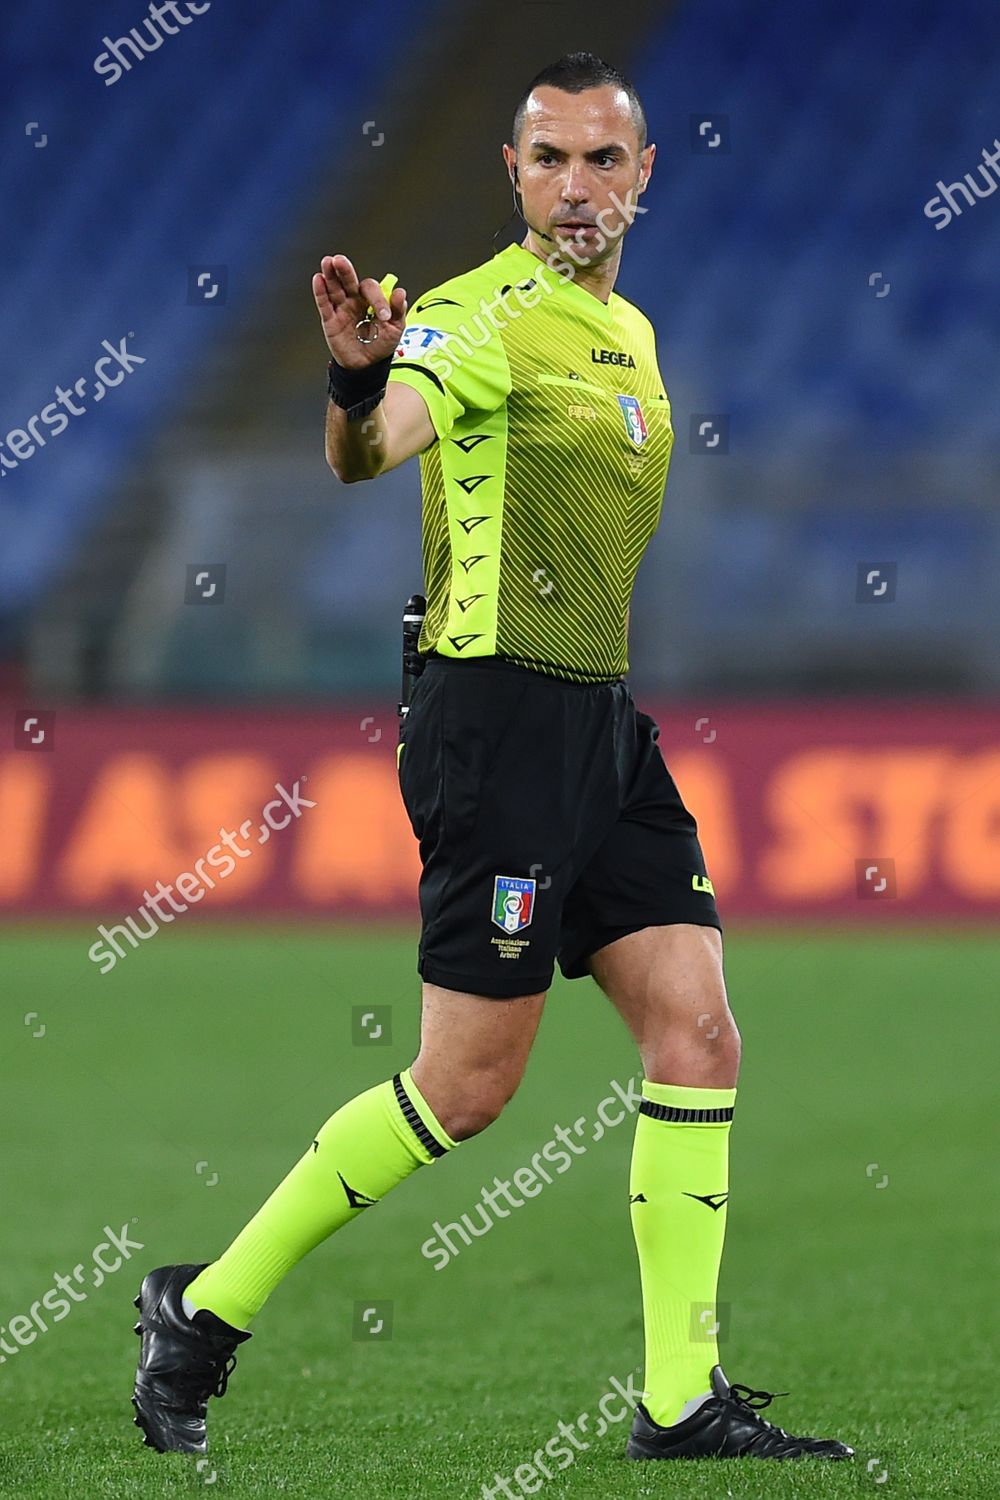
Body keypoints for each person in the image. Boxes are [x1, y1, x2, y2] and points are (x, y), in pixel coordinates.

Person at [131, 51, 852, 1464]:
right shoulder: (475, 317)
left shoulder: (631, 333)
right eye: (549, 161)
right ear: (512, 176)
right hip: (493, 721)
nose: (577, 186)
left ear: (645, 173)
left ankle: (678, 1401)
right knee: (468, 1086)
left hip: (597, 722)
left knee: (700, 1030)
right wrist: (353, 378)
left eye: (603, 159)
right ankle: (201, 1310)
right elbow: (370, 445)